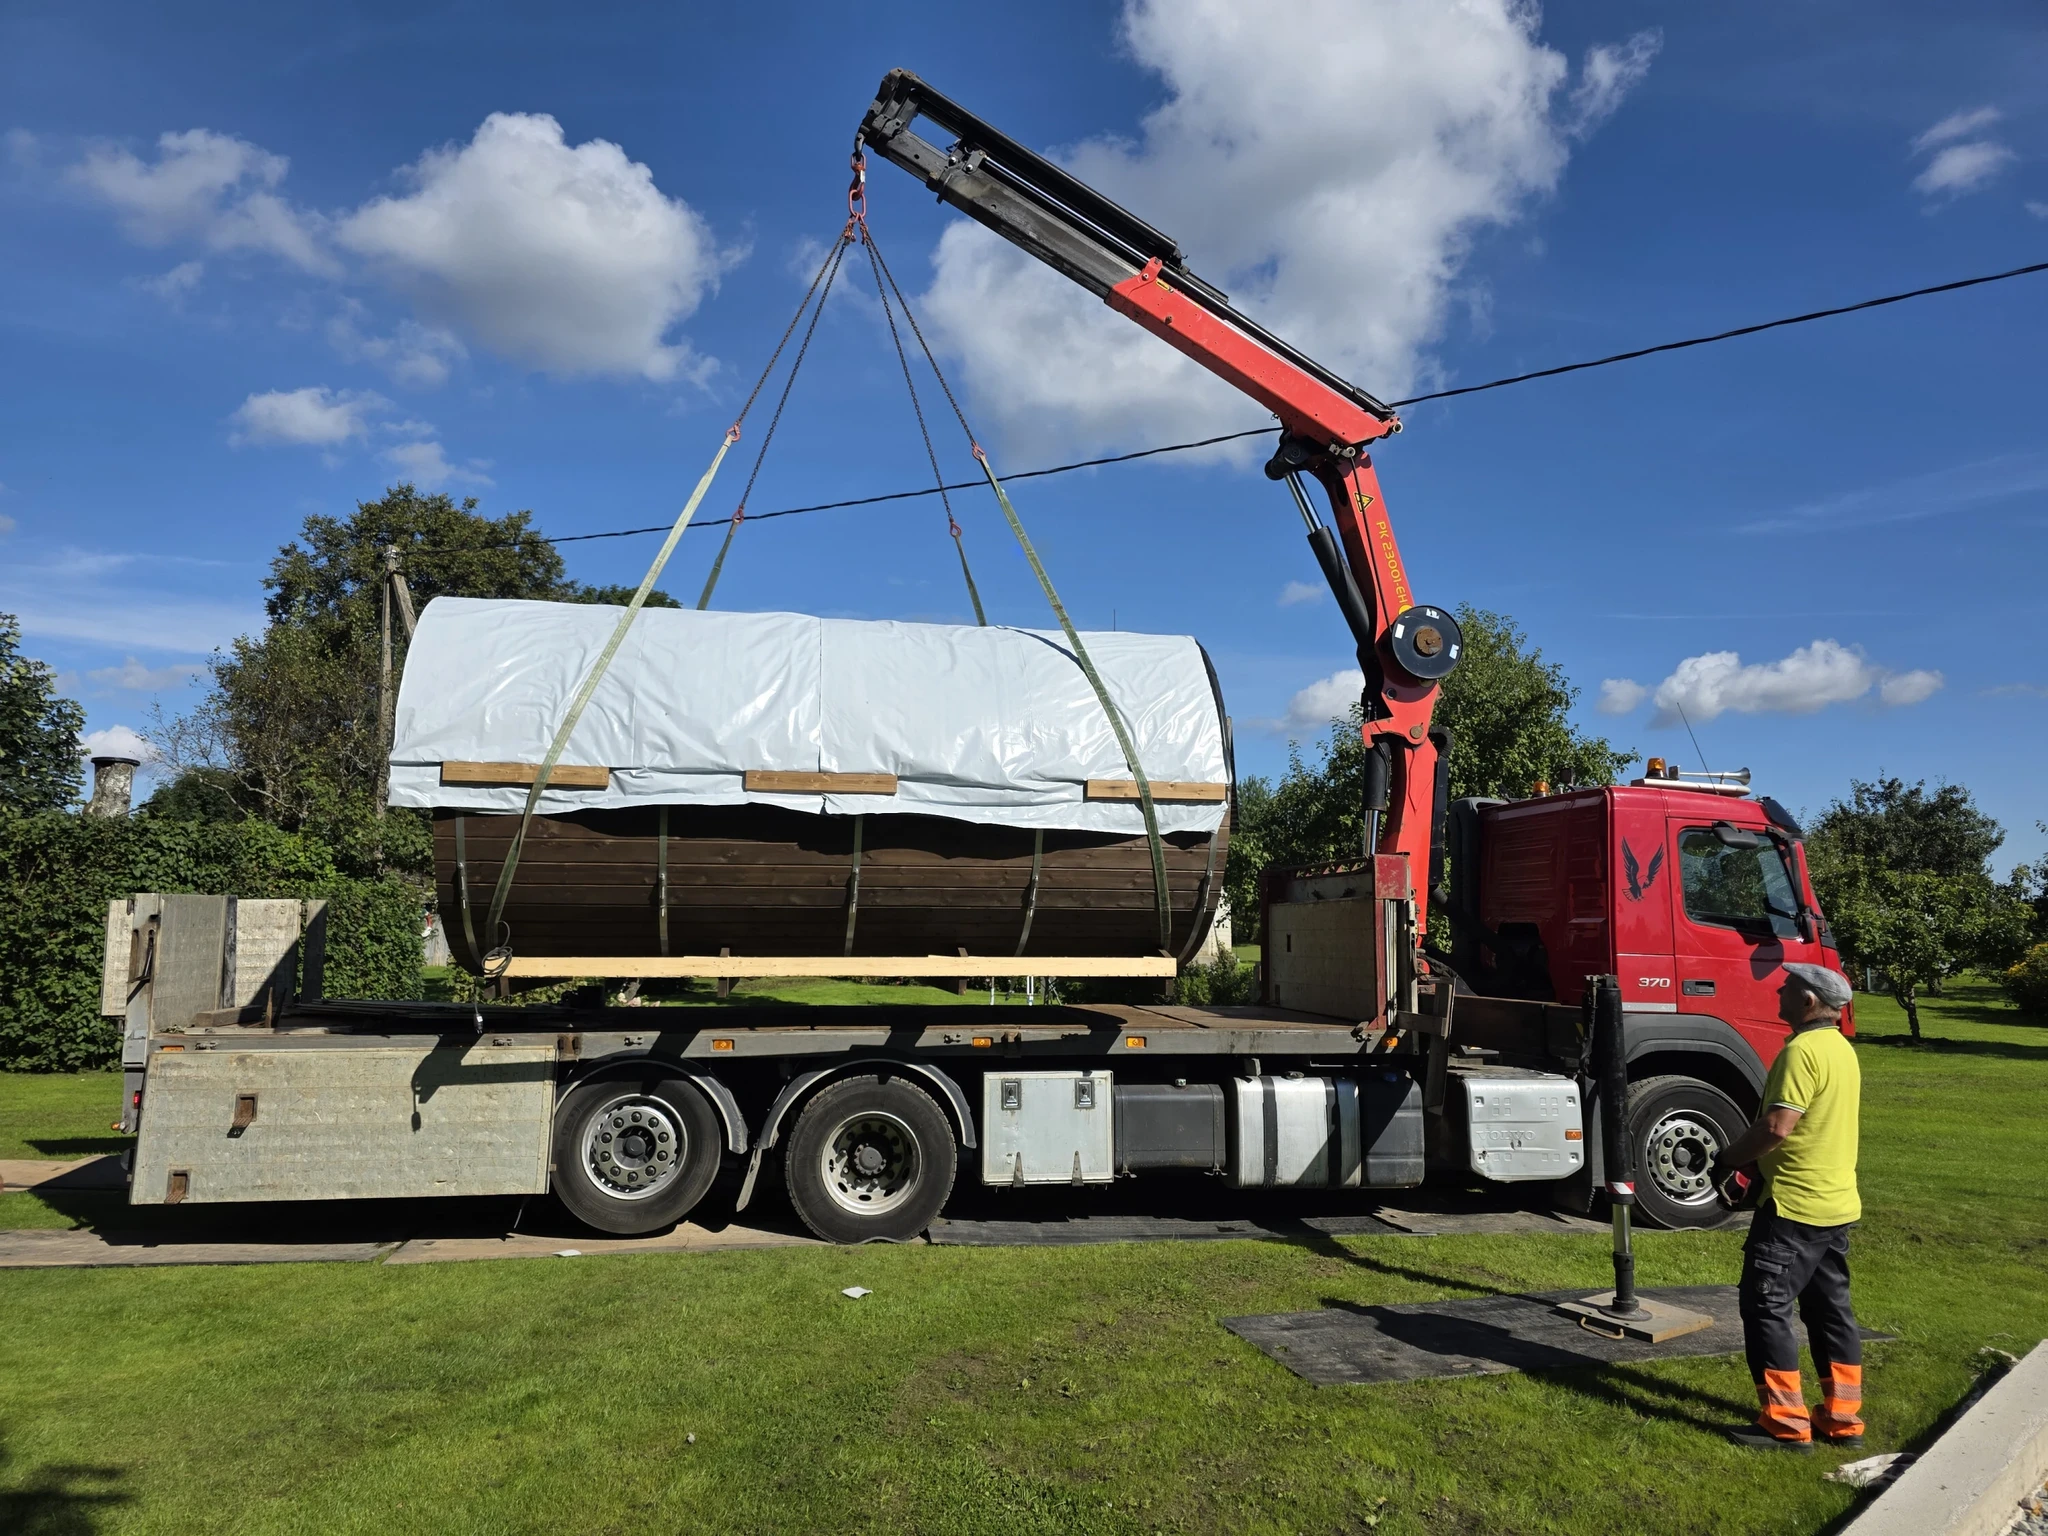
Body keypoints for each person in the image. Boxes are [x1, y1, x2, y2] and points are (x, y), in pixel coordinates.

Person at [1714, 961, 1864, 1453]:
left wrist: (1728, 1158)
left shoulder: (1801, 1052)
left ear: (1808, 1000)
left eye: (1786, 988)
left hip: (1794, 1207)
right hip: (1834, 1203)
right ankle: (1842, 1418)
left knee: (1766, 1306)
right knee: (1830, 1311)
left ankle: (1785, 1423)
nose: (1778, 992)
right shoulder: (1841, 1050)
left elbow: (1777, 1127)